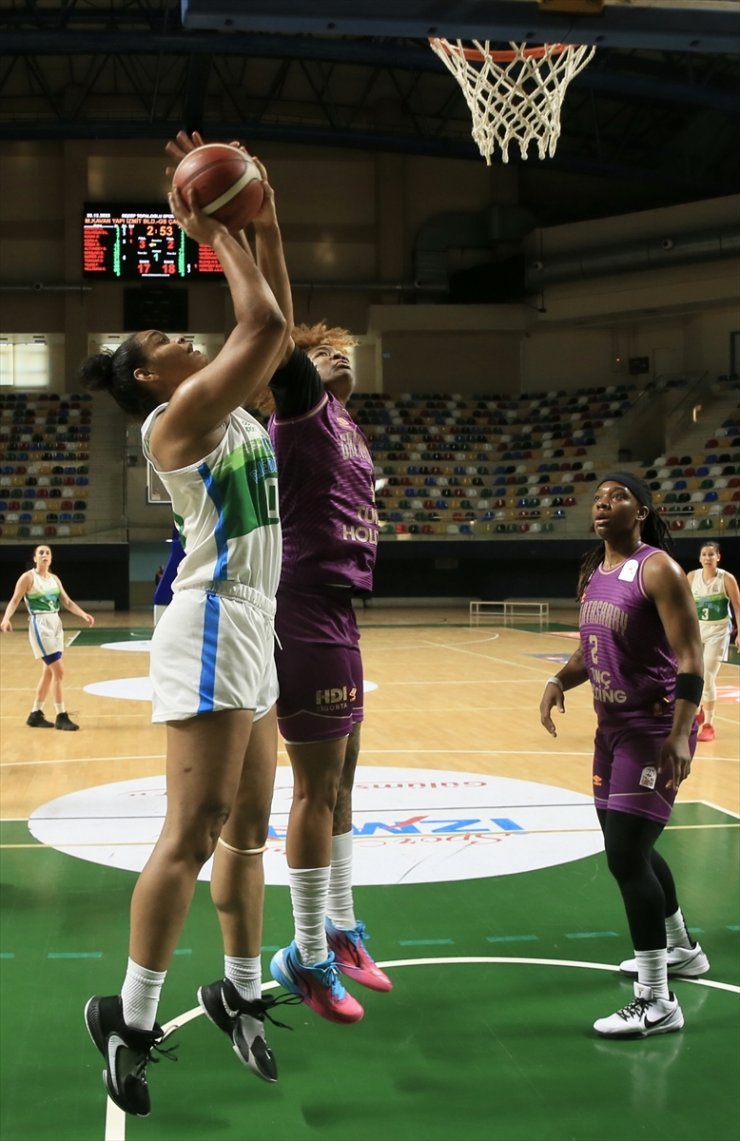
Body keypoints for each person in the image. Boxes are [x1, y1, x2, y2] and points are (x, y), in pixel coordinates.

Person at [77, 159, 291, 1117]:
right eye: (160, 338)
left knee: (251, 831)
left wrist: (262, 213)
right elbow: (267, 326)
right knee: (191, 833)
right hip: (208, 623)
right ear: (147, 379)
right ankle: (128, 1014)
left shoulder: (237, 402)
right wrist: (218, 235)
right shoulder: (179, 421)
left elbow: (274, 318)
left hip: (256, 625)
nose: (178, 337)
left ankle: (239, 986)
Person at [539, 472, 708, 1039]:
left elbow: (690, 657)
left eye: (618, 496)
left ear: (642, 510)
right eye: (599, 497)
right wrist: (561, 679)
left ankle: (656, 1001)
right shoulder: (594, 574)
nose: (604, 503)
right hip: (609, 730)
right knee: (629, 845)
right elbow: (592, 647)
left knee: (625, 856)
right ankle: (683, 947)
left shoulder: (657, 568)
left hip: (652, 729)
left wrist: (682, 734)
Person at [0, 543, 95, 730]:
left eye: (47, 553)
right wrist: (5, 619)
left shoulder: (54, 579)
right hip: (39, 624)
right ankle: (61, 715)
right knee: (59, 671)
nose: (44, 555)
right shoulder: (28, 578)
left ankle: (35, 713)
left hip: (56, 623)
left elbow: (66, 601)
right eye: (41, 553)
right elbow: (14, 600)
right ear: (35, 558)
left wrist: (83, 614)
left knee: (48, 672)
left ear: (50, 559)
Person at [687, 540, 740, 743]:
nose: (708, 558)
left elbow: (737, 605)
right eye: (704, 554)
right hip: (695, 631)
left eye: (712, 554)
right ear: (700, 558)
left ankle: (708, 724)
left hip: (718, 632)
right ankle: (698, 712)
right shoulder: (692, 577)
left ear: (718, 557)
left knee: (707, 676)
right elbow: (681, 603)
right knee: (693, 674)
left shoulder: (726, 578)